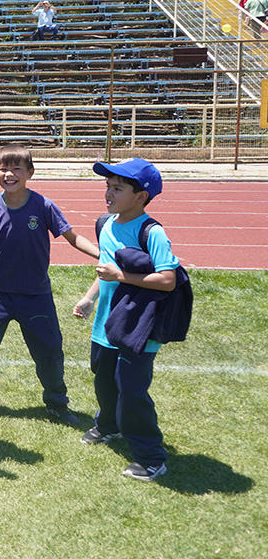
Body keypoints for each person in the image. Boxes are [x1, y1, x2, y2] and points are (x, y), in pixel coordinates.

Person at [0, 145, 99, 423]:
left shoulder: (43, 206)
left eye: (17, 168)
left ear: (30, 172)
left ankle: (57, 402)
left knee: (50, 349)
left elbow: (73, 237)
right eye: (3, 168)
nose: (9, 174)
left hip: (35, 295)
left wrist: (100, 254)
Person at [74, 158, 178, 482]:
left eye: (118, 188)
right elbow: (105, 269)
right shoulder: (106, 224)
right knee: (103, 380)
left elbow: (168, 280)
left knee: (131, 391)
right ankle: (108, 426)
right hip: (106, 323)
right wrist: (90, 297)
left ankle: (151, 458)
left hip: (138, 328)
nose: (109, 192)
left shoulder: (153, 232)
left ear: (141, 196)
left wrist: (122, 275)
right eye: (108, 186)